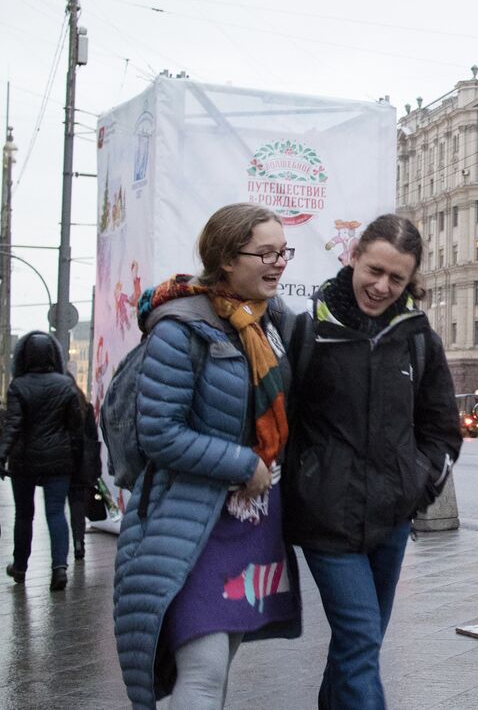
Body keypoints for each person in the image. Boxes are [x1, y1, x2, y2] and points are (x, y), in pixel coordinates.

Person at [112, 203, 301, 709]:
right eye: (265, 252)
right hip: (192, 521)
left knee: (218, 669)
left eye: (283, 252)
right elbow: (160, 432)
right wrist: (244, 464)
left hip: (252, 519)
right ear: (224, 259)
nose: (279, 262)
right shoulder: (179, 328)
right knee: (201, 670)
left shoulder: (270, 324)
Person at [284, 213, 460, 709]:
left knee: (356, 645)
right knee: (360, 638)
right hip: (326, 520)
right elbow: (283, 420)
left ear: (410, 281)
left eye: (396, 278)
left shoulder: (418, 338)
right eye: (374, 271)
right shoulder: (309, 330)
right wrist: (305, 483)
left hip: (391, 518)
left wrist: (416, 483)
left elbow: (440, 426)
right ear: (354, 257)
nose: (381, 286)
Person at [0, 331, 84, 591]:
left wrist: (1, 455)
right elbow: (75, 428)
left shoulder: (19, 386)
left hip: (24, 461)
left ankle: (20, 567)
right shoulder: (66, 385)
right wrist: (77, 461)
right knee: (56, 512)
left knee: (24, 515)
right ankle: (59, 567)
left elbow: (12, 426)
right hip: (60, 461)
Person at [66, 384, 101, 562]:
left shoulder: (60, 405)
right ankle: (79, 543)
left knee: (54, 509)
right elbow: (93, 439)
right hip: (81, 464)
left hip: (61, 461)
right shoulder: (85, 407)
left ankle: (59, 555)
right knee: (77, 505)